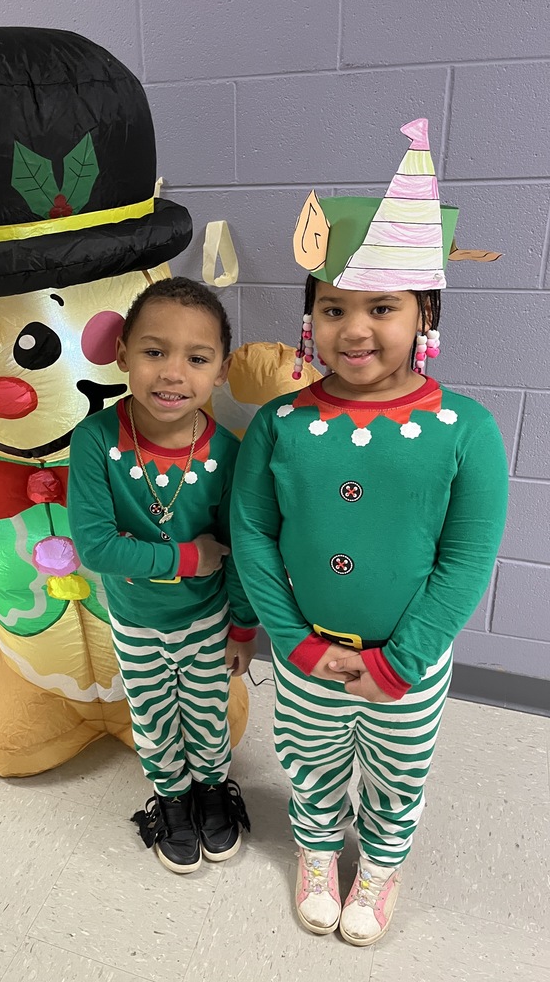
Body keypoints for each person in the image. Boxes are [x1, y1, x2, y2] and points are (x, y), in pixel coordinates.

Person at [231, 118, 508, 945]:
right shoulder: (280, 423)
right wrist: (294, 643)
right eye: (334, 308)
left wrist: (405, 658)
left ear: (424, 313)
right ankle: (317, 851)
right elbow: (252, 535)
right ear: (308, 317)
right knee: (309, 763)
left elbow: (466, 559)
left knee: (397, 773)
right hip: (308, 650)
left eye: (382, 308)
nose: (355, 329)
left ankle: (380, 867)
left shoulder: (468, 428)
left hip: (407, 664)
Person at [68, 275, 257, 874]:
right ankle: (171, 798)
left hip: (206, 620)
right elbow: (96, 548)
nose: (173, 373)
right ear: (122, 353)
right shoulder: (94, 440)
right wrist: (185, 558)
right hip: (135, 622)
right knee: (151, 716)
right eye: (154, 352)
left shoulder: (228, 453)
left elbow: (242, 549)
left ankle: (210, 789)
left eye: (197, 358)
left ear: (220, 370)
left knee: (207, 712)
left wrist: (243, 628)